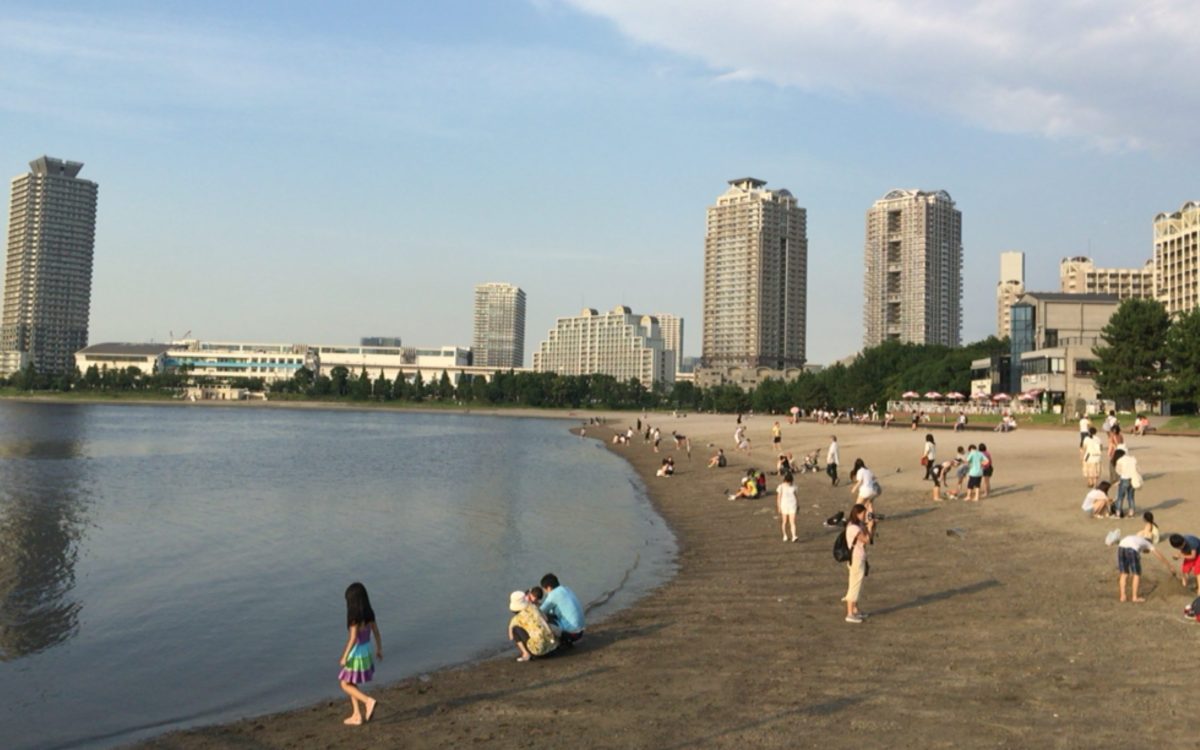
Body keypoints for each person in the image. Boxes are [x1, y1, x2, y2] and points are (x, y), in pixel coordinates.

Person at [338, 582, 382, 725]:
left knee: (344, 684)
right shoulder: (369, 615)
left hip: (356, 652)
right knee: (351, 682)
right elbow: (376, 632)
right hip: (366, 650)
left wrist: (344, 656)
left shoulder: (354, 619)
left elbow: (352, 639)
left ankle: (367, 701)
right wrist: (379, 649)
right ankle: (357, 715)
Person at [1115, 534, 1174, 603]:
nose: (1146, 552)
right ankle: (1135, 597)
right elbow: (1159, 555)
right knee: (1136, 574)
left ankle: (1123, 596)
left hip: (1121, 547)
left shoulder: (1138, 539)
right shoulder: (1148, 543)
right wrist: (1169, 565)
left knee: (1124, 573)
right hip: (1131, 549)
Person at [508, 590, 558, 662]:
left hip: (539, 652)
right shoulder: (534, 607)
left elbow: (511, 637)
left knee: (515, 629)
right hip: (552, 647)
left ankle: (526, 654)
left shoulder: (516, 619)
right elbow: (546, 619)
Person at [843, 504, 871, 623]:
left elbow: (870, 539)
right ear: (857, 513)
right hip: (856, 559)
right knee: (854, 586)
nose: (864, 516)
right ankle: (850, 613)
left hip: (858, 558)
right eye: (863, 513)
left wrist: (871, 526)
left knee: (857, 585)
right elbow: (865, 540)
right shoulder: (853, 528)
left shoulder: (857, 525)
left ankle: (855, 610)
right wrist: (869, 526)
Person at [539, 573, 585, 645]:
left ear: (549, 588)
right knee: (549, 614)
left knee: (541, 618)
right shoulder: (566, 589)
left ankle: (555, 642)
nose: (545, 592)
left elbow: (539, 612)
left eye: (544, 589)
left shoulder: (553, 595)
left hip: (572, 634)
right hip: (580, 631)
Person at [1114, 448, 1140, 518]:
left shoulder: (1120, 460)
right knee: (1131, 497)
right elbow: (1137, 468)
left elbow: (1118, 471)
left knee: (1120, 497)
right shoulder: (1133, 459)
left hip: (1124, 478)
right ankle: (1131, 513)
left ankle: (1118, 513)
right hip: (1133, 478)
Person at [776, 472, 799, 542]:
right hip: (784, 505)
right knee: (785, 521)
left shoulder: (794, 486)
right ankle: (785, 535)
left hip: (792, 504)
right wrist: (779, 507)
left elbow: (796, 496)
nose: (789, 483)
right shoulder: (781, 487)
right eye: (788, 482)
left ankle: (794, 536)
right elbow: (778, 497)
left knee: (792, 522)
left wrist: (798, 504)